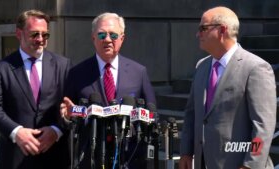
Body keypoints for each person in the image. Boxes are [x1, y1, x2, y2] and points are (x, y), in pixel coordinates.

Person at [179, 6, 276, 169]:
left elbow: (263, 126)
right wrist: (186, 152)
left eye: (203, 28)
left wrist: (250, 165)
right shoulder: (202, 67)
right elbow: (192, 114)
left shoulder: (255, 68)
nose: (198, 34)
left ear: (222, 30)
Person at [60, 12, 156, 168]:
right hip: (91, 158)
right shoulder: (76, 73)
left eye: (113, 35)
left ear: (122, 39)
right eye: (102, 34)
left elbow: (152, 112)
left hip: (129, 157)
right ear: (93, 38)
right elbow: (66, 114)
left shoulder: (139, 72)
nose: (107, 40)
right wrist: (66, 117)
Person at [0, 9, 71, 169]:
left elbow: (71, 105)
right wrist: (16, 132)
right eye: (34, 34)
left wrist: (56, 130)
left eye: (45, 35)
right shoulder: (1, 68)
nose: (40, 39)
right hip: (15, 158)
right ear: (19, 34)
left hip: (54, 157)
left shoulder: (63, 65)